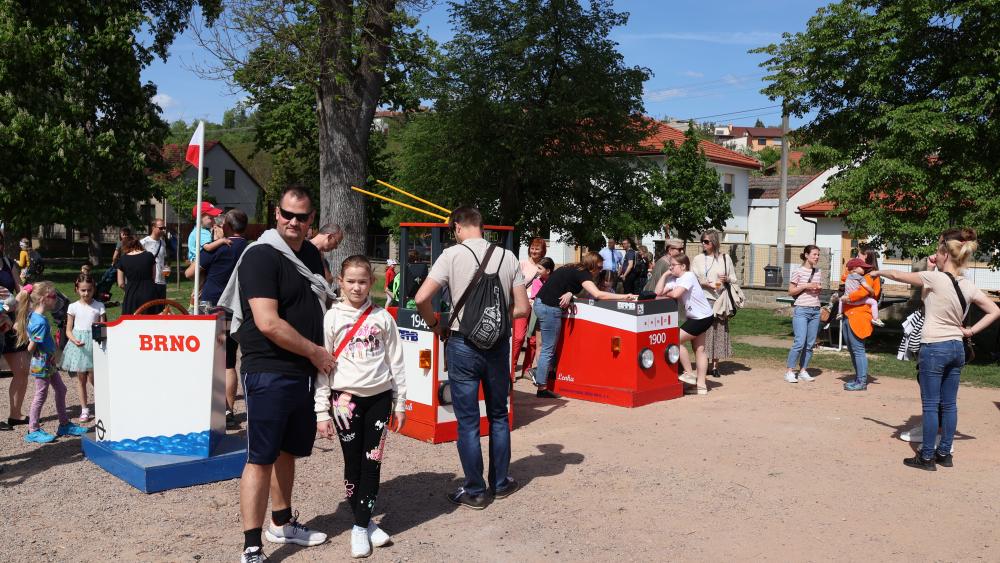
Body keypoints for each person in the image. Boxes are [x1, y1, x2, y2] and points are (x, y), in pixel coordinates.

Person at [217, 187, 332, 562]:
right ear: (277, 214)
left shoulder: (310, 254)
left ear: (311, 219)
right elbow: (268, 322)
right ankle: (252, 545)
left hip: (303, 371)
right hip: (269, 369)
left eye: (302, 216)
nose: (293, 222)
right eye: (287, 214)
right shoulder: (260, 256)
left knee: (288, 451)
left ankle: (281, 522)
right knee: (261, 456)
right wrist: (316, 352)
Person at [414, 206, 530, 509]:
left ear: (457, 227)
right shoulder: (508, 257)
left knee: (467, 422)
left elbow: (421, 298)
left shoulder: (451, 255)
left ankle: (475, 491)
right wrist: (493, 319)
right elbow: (523, 308)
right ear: (482, 226)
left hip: (462, 344)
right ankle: (501, 483)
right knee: (499, 416)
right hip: (497, 347)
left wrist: (435, 325)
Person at [872, 228, 1000, 470]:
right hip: (956, 348)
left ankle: (926, 456)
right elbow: (994, 311)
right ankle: (944, 453)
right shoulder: (967, 285)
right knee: (949, 404)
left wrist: (878, 271)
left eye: (937, 252)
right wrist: (970, 331)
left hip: (934, 347)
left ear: (945, 254)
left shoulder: (935, 279)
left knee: (931, 406)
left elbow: (898, 275)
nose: (934, 255)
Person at [315, 255, 407, 558]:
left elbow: (397, 362)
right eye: (351, 281)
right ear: (341, 282)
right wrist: (321, 411)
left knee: (372, 463)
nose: (357, 287)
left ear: (372, 283)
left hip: (380, 399)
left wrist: (401, 403)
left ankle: (359, 526)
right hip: (345, 402)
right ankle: (365, 523)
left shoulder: (383, 318)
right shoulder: (332, 318)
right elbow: (322, 367)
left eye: (363, 282)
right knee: (353, 463)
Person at [534, 252, 637, 398]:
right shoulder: (583, 273)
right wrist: (625, 296)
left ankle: (543, 377)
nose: (600, 270)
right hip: (549, 307)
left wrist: (570, 293)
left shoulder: (573, 268)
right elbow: (598, 294)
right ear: (592, 265)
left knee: (548, 347)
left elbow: (563, 284)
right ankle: (542, 387)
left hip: (542, 303)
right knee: (548, 349)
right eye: (599, 267)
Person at [185, 209, 250, 430]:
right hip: (238, 309)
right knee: (229, 361)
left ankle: (208, 409)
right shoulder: (251, 249)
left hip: (213, 307)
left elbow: (190, 273)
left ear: (227, 227)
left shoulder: (218, 247)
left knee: (210, 360)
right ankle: (228, 411)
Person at [14, 282, 89, 443]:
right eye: (53, 296)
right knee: (41, 394)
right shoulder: (40, 321)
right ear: (43, 299)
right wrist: (30, 352)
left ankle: (64, 424)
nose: (56, 299)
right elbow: (32, 346)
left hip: (48, 361)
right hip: (42, 362)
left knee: (61, 389)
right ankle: (33, 429)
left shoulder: (34, 315)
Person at [655, 254, 715, 396]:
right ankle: (701, 386)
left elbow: (676, 294)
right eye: (670, 265)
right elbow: (657, 292)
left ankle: (688, 373)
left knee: (674, 340)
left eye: (673, 265)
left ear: (683, 266)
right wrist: (665, 275)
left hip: (702, 317)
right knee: (699, 349)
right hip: (698, 317)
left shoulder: (688, 276)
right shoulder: (674, 279)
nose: (670, 268)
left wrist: (667, 294)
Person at [60, 274, 106, 422]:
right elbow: (68, 330)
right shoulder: (73, 307)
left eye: (89, 290)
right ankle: (84, 409)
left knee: (94, 377)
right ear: (77, 289)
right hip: (79, 345)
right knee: (81, 378)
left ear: (94, 289)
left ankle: (103, 404)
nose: (86, 293)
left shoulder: (99, 306)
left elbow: (103, 327)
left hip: (94, 343)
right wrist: (74, 340)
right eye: (83, 290)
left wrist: (101, 341)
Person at [691, 230, 736, 378]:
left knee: (719, 331)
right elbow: (692, 278)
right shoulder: (698, 259)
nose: (703, 244)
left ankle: (715, 365)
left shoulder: (725, 258)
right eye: (702, 241)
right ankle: (704, 363)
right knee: (705, 332)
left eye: (706, 241)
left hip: (720, 299)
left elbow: (734, 278)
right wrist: (703, 283)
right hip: (703, 299)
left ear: (714, 242)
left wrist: (727, 279)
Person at [839, 257, 880, 391]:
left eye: (862, 256)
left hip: (859, 317)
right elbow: (844, 279)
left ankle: (861, 381)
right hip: (848, 314)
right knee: (852, 350)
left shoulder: (870, 277)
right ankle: (858, 378)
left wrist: (848, 298)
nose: (858, 258)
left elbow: (864, 292)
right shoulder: (854, 275)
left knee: (858, 350)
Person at [785, 245, 823, 383]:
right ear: (806, 255)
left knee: (810, 343)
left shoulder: (818, 271)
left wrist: (818, 288)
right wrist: (806, 286)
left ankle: (803, 371)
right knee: (799, 342)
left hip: (815, 310)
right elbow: (790, 291)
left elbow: (817, 290)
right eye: (814, 254)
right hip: (801, 309)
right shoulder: (798, 271)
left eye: (818, 255)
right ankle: (789, 371)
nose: (817, 257)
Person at [512, 237, 547, 378]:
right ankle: (512, 368)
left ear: (543, 251)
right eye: (532, 248)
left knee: (533, 340)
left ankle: (527, 369)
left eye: (537, 248)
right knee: (518, 337)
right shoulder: (522, 264)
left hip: (537, 306)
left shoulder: (545, 266)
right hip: (522, 304)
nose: (534, 251)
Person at [519, 256, 555, 382]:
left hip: (550, 314)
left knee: (548, 345)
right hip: (539, 314)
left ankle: (548, 370)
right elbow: (536, 296)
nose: (537, 271)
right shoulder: (537, 281)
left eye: (540, 268)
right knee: (537, 343)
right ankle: (541, 373)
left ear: (548, 271)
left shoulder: (554, 280)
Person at [117, 236, 158, 315]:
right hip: (149, 293)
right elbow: (153, 277)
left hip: (131, 295)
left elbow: (120, 283)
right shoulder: (149, 256)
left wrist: (128, 289)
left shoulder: (122, 259)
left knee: (132, 320)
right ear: (138, 243)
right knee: (151, 320)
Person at [140, 219, 169, 314]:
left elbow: (163, 260)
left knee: (161, 311)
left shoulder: (163, 242)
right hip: (149, 282)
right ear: (153, 227)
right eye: (161, 228)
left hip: (161, 282)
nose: (163, 230)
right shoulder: (143, 242)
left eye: (164, 228)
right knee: (149, 310)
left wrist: (166, 267)